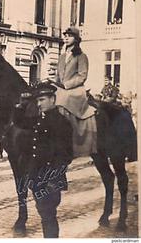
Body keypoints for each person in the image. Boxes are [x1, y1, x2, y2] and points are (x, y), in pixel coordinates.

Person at [14, 82, 73, 238]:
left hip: (51, 180)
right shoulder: (39, 120)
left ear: (53, 99)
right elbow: (19, 122)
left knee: (48, 216)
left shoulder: (61, 123)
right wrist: (21, 105)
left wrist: (53, 180)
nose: (39, 104)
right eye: (38, 101)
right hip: (37, 178)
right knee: (44, 214)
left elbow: (66, 155)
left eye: (42, 100)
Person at [51, 27, 97, 157]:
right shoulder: (62, 57)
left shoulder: (81, 56)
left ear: (76, 39)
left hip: (75, 90)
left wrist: (66, 85)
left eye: (69, 36)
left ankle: (67, 140)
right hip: (61, 88)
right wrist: (54, 85)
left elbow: (82, 76)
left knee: (62, 102)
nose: (66, 37)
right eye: (65, 35)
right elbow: (57, 76)